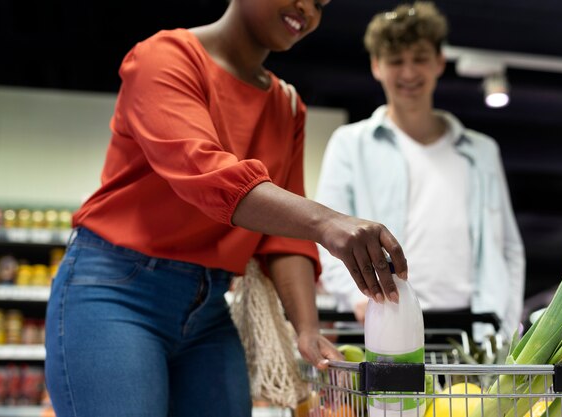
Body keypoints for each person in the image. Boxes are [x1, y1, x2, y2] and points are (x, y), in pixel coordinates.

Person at [43, 1, 409, 416]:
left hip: (210, 309)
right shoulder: (166, 57)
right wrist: (328, 222)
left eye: (321, 4)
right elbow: (205, 174)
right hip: (115, 292)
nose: (307, 9)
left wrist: (306, 329)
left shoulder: (287, 106)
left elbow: (284, 238)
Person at [315, 1, 525, 340]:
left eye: (420, 59)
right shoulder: (350, 144)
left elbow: (509, 249)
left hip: (470, 326)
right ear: (376, 66)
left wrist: (504, 320)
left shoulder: (482, 151)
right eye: (396, 61)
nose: (409, 73)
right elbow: (326, 236)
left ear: (439, 62)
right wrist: (357, 299)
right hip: (380, 317)